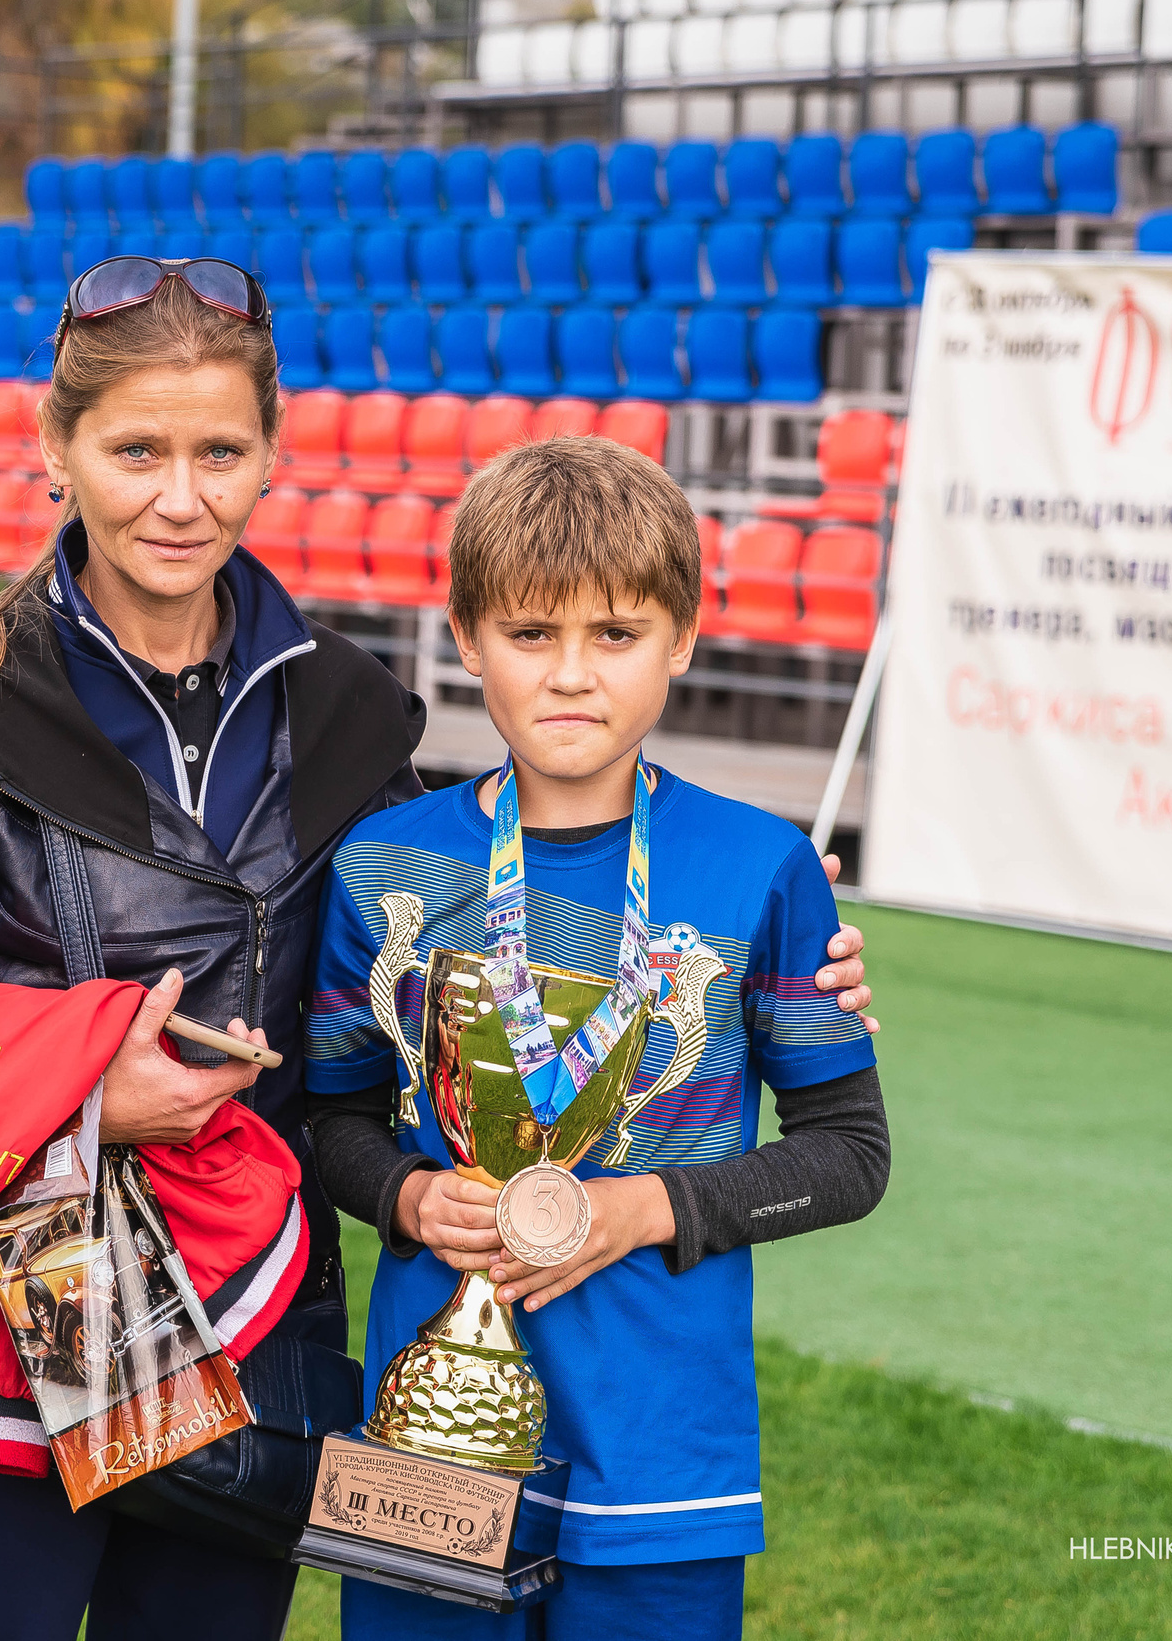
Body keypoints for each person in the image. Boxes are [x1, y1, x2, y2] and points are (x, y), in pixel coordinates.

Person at [0, 258, 878, 1641]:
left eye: (220, 452)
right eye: (136, 451)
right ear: (56, 450)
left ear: (269, 458)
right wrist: (78, 1090)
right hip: (36, 1284)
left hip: (258, 1305)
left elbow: (487, 907)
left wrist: (772, 919)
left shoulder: (353, 713)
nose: (180, 497)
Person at [305, 437, 891, 1641]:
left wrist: (641, 1211)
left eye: (615, 635)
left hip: (662, 1447)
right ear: (467, 639)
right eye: (531, 634)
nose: (572, 675)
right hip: (431, 1434)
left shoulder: (761, 867)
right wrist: (412, 1198)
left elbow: (849, 1153)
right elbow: (328, 1122)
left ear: (680, 639)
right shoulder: (379, 866)